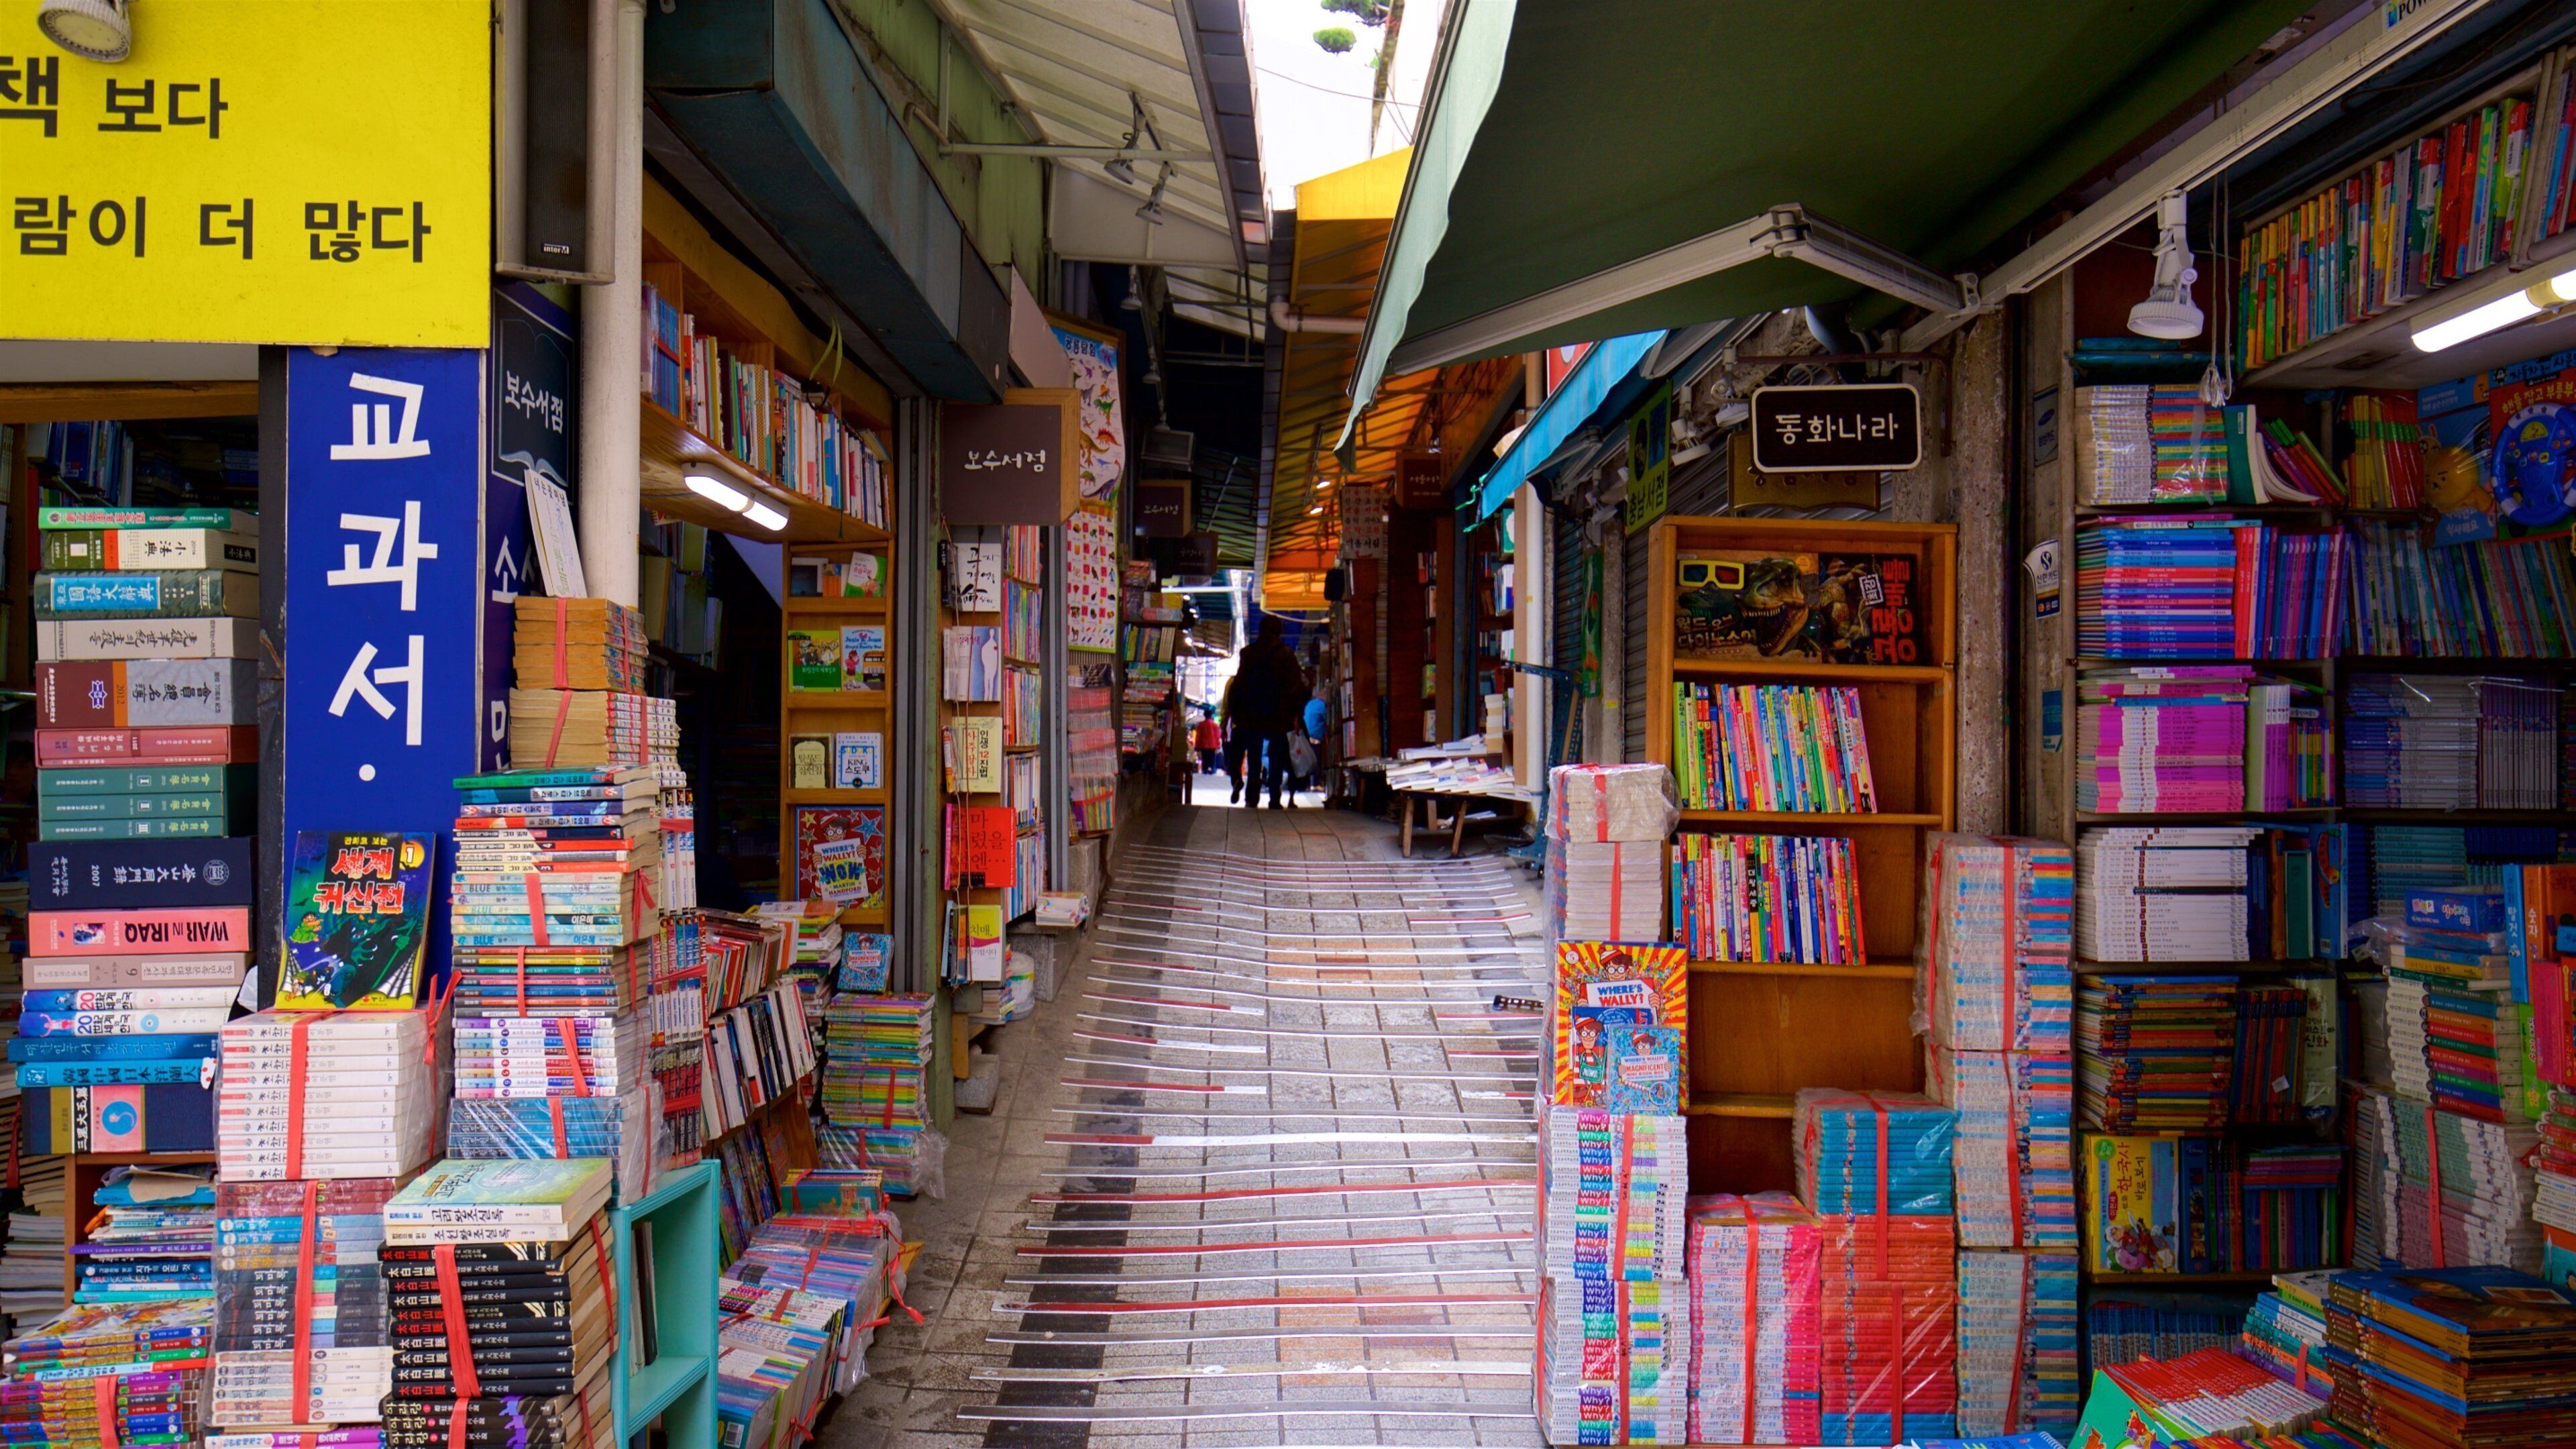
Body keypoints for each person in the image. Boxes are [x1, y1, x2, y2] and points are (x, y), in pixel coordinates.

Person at [1230, 616, 1307, 809]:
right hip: (1278, 715)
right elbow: (1295, 687)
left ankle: (1252, 797)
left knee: (1255, 756)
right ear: (1279, 632)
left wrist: (1237, 713)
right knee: (1277, 757)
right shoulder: (1286, 655)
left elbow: (1239, 685)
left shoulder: (1248, 653)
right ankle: (1275, 797)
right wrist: (1295, 714)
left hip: (1252, 714)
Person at [1193, 707, 1222, 777]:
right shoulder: (1215, 725)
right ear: (1211, 715)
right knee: (1212, 758)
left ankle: (1205, 770)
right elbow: (1218, 736)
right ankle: (1212, 770)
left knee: (1205, 759)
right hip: (1213, 745)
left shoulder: (1201, 725)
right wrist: (1218, 746)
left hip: (1204, 745)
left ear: (1204, 715)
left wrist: (1197, 746)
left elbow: (1198, 736)